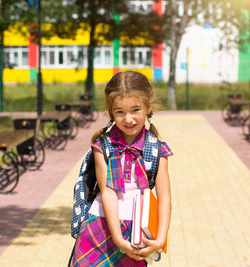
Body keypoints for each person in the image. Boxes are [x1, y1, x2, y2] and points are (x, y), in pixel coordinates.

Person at [71, 71, 173, 266]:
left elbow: (165, 198)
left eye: (135, 109)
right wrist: (117, 238)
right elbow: (107, 192)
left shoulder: (157, 149)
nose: (128, 119)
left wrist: (160, 239)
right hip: (99, 226)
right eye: (120, 112)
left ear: (148, 107)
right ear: (111, 112)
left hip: (136, 231)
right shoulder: (103, 146)